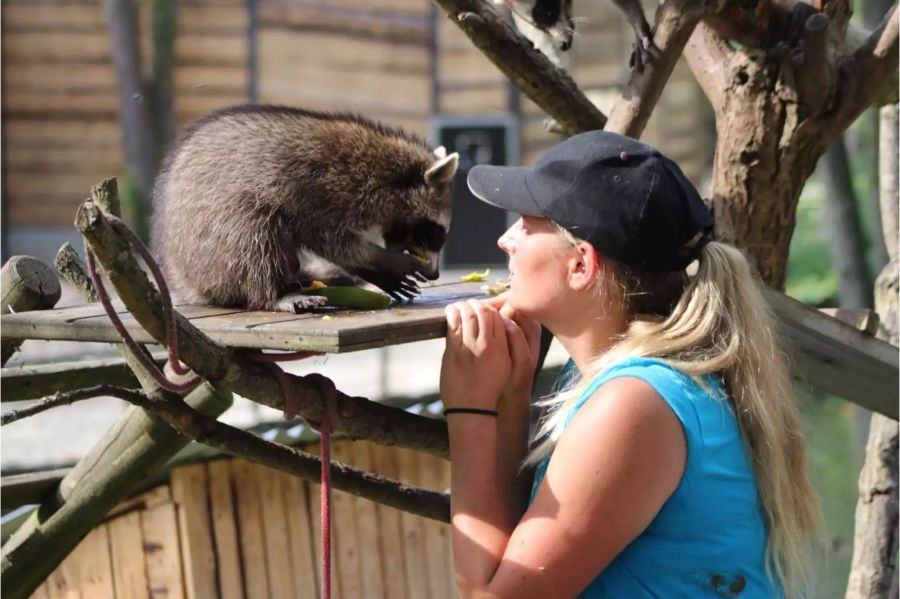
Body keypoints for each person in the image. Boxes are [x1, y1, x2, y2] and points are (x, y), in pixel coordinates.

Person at [439, 131, 821, 599]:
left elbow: (491, 596)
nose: (504, 240)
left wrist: (469, 410)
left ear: (581, 265)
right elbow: (522, 549)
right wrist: (511, 396)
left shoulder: (633, 404)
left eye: (525, 222)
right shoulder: (621, 378)